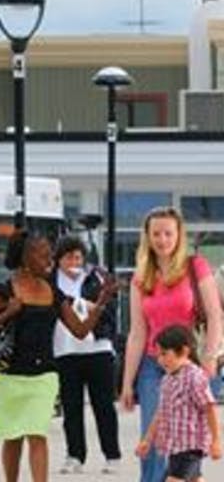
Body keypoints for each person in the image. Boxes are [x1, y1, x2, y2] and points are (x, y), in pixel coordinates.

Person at [0, 229, 119, 482]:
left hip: (44, 376)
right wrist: (8, 312)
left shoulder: (52, 291)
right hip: (8, 375)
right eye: (43, 256)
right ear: (25, 258)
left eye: (50, 255)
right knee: (13, 436)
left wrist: (103, 301)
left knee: (37, 434)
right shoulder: (4, 290)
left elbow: (80, 330)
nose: (49, 261)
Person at [120, 207, 224, 482]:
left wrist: (211, 357)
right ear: (147, 237)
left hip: (191, 366)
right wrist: (128, 382)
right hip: (154, 366)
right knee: (154, 441)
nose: (162, 239)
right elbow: (137, 334)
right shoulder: (141, 277)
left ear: (179, 235)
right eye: (156, 233)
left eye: (168, 233)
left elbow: (215, 315)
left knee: (187, 446)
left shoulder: (195, 267)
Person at [51, 236, 121, 475]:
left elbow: (110, 307)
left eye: (78, 256)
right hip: (65, 351)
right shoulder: (50, 282)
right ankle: (75, 456)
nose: (74, 261)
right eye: (69, 256)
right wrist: (82, 304)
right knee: (71, 408)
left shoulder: (97, 277)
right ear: (58, 259)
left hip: (97, 349)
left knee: (104, 406)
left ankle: (112, 455)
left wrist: (92, 307)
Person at [134, 325, 222, 482]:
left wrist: (216, 440)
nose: (160, 360)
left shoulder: (194, 377)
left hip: (191, 446)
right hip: (175, 445)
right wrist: (147, 440)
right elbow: (160, 412)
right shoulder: (167, 380)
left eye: (164, 354)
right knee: (195, 479)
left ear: (184, 351)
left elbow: (209, 408)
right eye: (158, 355)